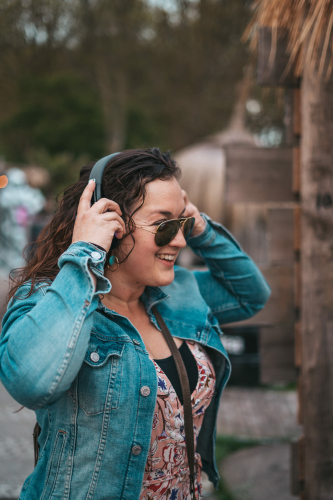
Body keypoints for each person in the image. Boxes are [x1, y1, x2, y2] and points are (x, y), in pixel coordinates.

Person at [0, 148, 270, 500]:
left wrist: (199, 225)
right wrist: (84, 253)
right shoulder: (51, 299)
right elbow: (31, 383)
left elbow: (250, 294)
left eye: (181, 224)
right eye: (164, 225)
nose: (179, 240)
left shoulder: (178, 292)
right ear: (110, 222)